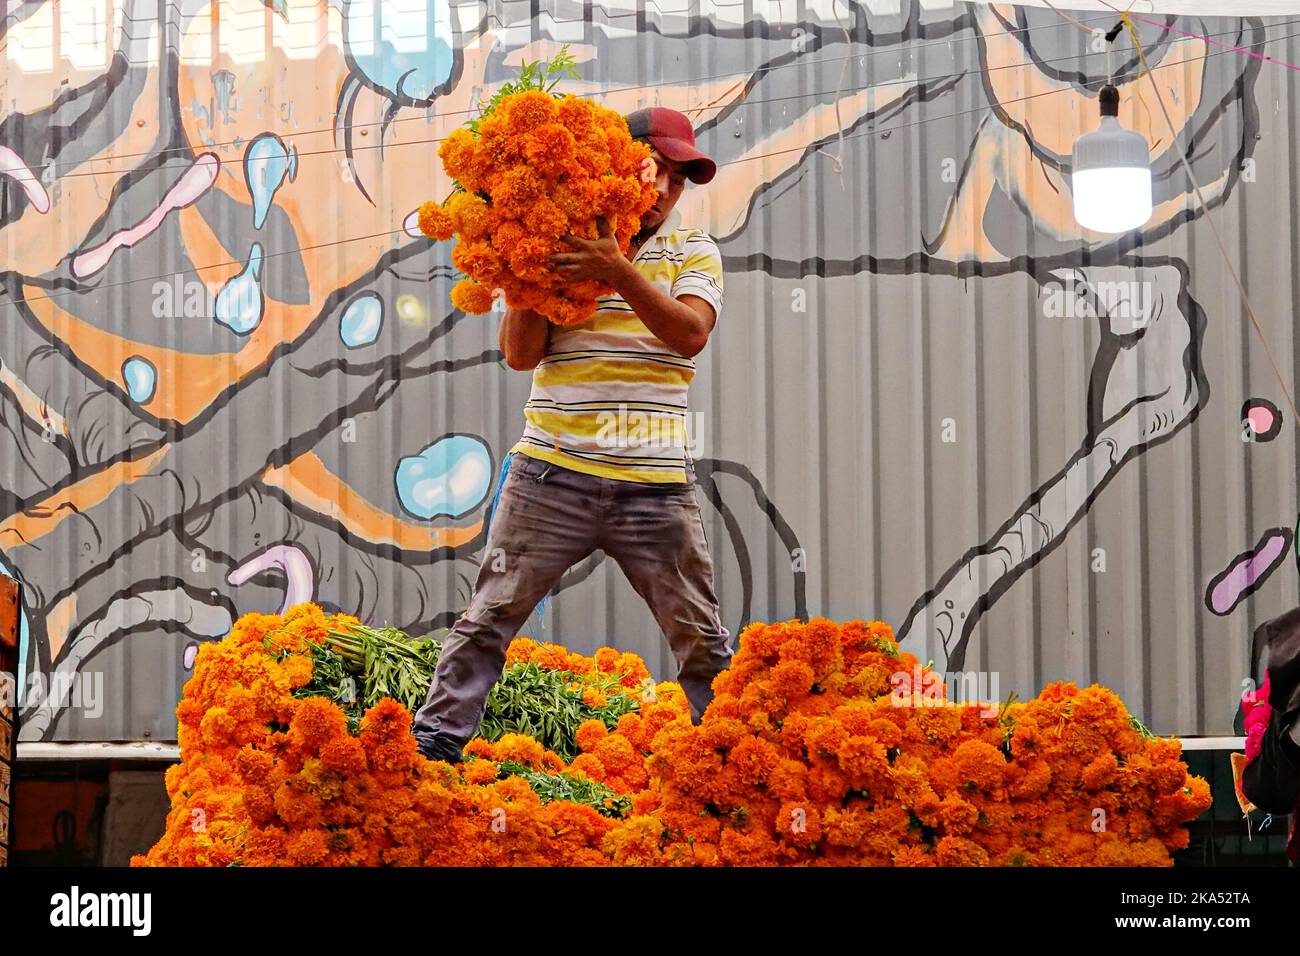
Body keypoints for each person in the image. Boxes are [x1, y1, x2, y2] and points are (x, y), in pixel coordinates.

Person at [411, 107, 731, 764]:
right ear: (618, 166)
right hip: (551, 478)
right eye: (655, 171)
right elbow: (521, 356)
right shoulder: (564, 239)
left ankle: (732, 762)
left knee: (699, 637)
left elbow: (689, 334)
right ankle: (430, 757)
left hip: (654, 489)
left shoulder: (694, 251)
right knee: (487, 620)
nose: (667, 190)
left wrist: (617, 271)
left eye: (679, 179)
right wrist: (527, 256)